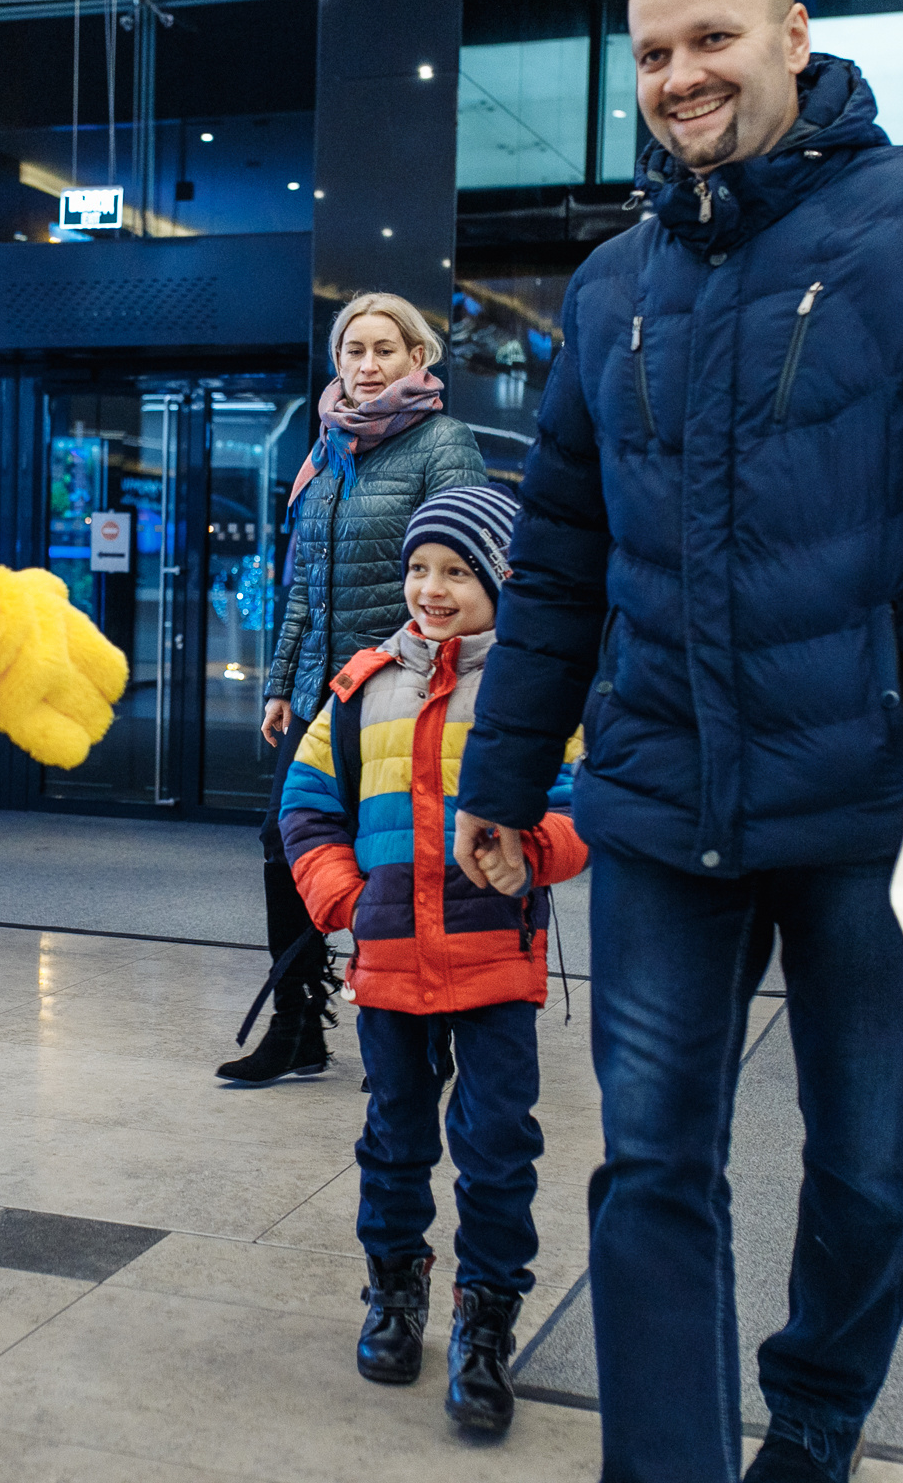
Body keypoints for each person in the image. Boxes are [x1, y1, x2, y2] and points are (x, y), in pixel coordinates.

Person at [453, 0, 903, 1483]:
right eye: (652, 54)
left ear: (793, 35)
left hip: (877, 810)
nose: (681, 76)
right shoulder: (612, 282)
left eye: (712, 40)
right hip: (655, 797)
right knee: (653, 1168)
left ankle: (813, 1430)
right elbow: (559, 561)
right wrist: (503, 774)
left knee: (869, 1172)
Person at [277, 486, 588, 1435]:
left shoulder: (533, 696)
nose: (433, 587)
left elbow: (579, 812)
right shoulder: (361, 684)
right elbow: (304, 806)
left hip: (494, 956)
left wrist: (530, 854)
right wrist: (344, 901)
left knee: (497, 1149)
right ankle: (396, 1289)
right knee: (395, 1137)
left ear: (499, 581)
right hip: (391, 960)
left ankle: (485, 1317)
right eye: (420, 568)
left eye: (457, 571)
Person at [218, 292, 487, 1084]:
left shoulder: (444, 442)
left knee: (392, 857)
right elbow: (303, 579)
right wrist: (282, 683)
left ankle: (414, 1027)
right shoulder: (328, 446)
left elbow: (462, 572)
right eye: (352, 351)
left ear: (418, 359)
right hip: (322, 694)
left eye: (384, 351)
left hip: (402, 689)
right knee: (287, 845)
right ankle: (299, 1023)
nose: (366, 367)